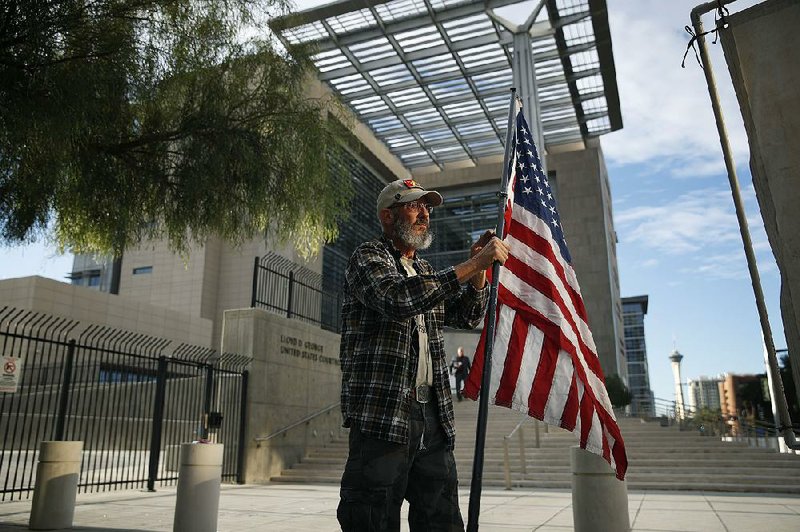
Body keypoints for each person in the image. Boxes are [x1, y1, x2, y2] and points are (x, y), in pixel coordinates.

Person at [337, 178, 510, 531]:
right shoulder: (367, 257)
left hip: (433, 417)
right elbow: (398, 299)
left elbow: (468, 315)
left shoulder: (428, 270)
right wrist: (473, 264)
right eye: (415, 206)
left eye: (427, 208)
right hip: (383, 417)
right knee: (372, 518)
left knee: (441, 520)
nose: (425, 215)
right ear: (388, 216)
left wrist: (480, 274)